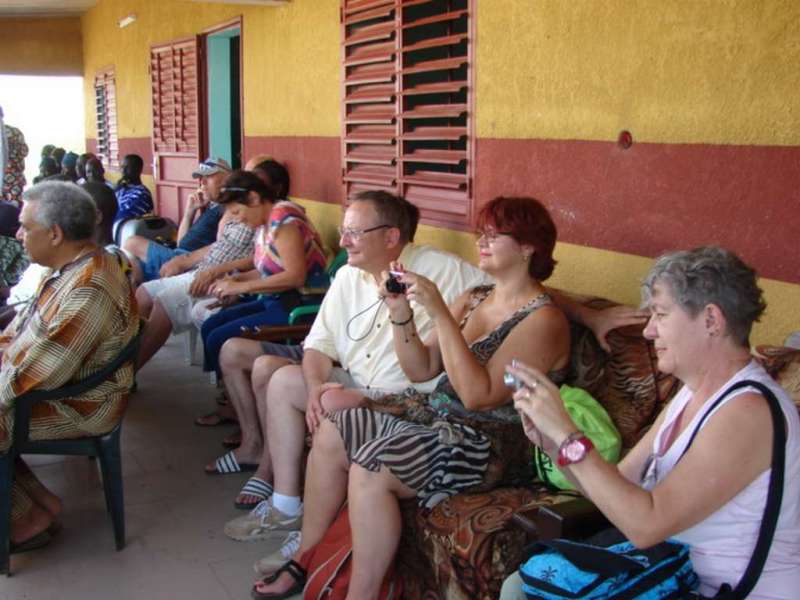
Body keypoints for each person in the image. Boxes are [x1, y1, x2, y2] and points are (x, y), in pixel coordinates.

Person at [248, 196, 572, 599]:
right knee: (334, 430)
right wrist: (400, 311)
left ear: (528, 247)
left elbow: (477, 396)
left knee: (372, 467)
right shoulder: (476, 298)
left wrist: (438, 313)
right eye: (481, 233)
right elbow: (421, 368)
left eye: (495, 234)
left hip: (488, 442)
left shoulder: (543, 319)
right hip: (437, 416)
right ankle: (307, 560)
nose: (482, 241)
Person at [500, 246, 800, 600]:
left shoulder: (748, 412)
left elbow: (646, 527)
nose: (648, 331)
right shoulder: (690, 395)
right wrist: (551, 441)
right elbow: (616, 485)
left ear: (711, 321)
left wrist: (568, 435)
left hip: (722, 590)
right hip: (668, 578)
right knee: (520, 584)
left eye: (660, 315)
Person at [0, 181, 138, 552]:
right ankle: (37, 506)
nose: (19, 234)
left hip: (83, 405)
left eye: (26, 227)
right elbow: (19, 334)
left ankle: (25, 520)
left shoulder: (88, 287)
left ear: (56, 234)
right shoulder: (66, 268)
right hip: (52, 384)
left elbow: (44, 372)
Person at [196, 165, 325, 378]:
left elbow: (295, 276)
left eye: (237, 211)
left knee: (219, 336)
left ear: (254, 198)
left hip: (298, 306)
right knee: (211, 325)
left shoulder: (284, 220)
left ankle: (232, 401)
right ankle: (230, 396)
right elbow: (269, 270)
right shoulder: (264, 225)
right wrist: (234, 281)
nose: (237, 218)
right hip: (277, 300)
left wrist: (241, 286)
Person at [135, 171, 263, 368]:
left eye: (208, 177)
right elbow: (210, 245)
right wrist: (184, 260)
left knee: (163, 302)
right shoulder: (228, 210)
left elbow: (263, 262)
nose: (202, 182)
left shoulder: (265, 220)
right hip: (201, 269)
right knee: (142, 293)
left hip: (218, 277)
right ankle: (125, 364)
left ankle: (128, 372)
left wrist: (227, 278)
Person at [122, 157, 230, 283]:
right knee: (133, 268)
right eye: (201, 178)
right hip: (178, 255)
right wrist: (190, 211)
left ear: (226, 179)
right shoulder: (212, 206)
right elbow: (181, 243)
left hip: (189, 263)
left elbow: (223, 246)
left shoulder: (227, 208)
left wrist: (185, 261)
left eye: (209, 177)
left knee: (131, 242)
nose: (202, 183)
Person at [112, 154, 153, 232]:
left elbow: (123, 215)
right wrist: (115, 189)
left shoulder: (142, 193)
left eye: (127, 167)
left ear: (138, 170)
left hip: (129, 232)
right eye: (122, 167)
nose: (123, 171)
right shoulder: (121, 188)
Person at [1, 124, 27, 205]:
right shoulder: (15, 132)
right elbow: (24, 151)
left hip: (9, 180)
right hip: (15, 181)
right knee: (14, 213)